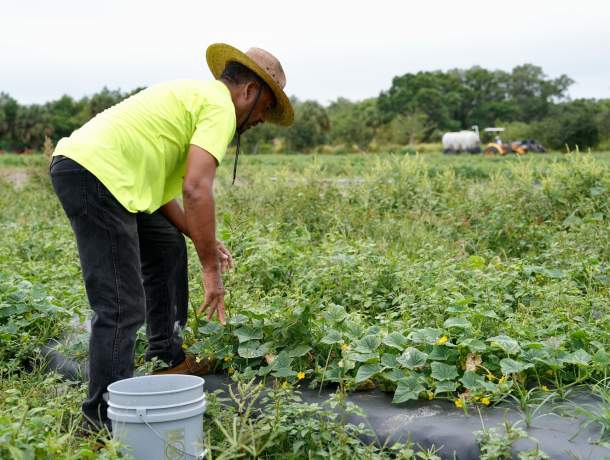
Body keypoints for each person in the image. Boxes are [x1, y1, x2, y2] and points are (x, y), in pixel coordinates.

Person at [49, 43, 294, 431]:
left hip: (108, 175)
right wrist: (211, 272)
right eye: (266, 106)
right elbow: (196, 188)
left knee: (165, 244)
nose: (262, 117)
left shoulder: (195, 99)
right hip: (94, 175)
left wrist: (203, 239)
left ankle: (167, 357)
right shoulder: (219, 108)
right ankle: (101, 424)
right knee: (120, 306)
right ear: (248, 91)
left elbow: (167, 190)